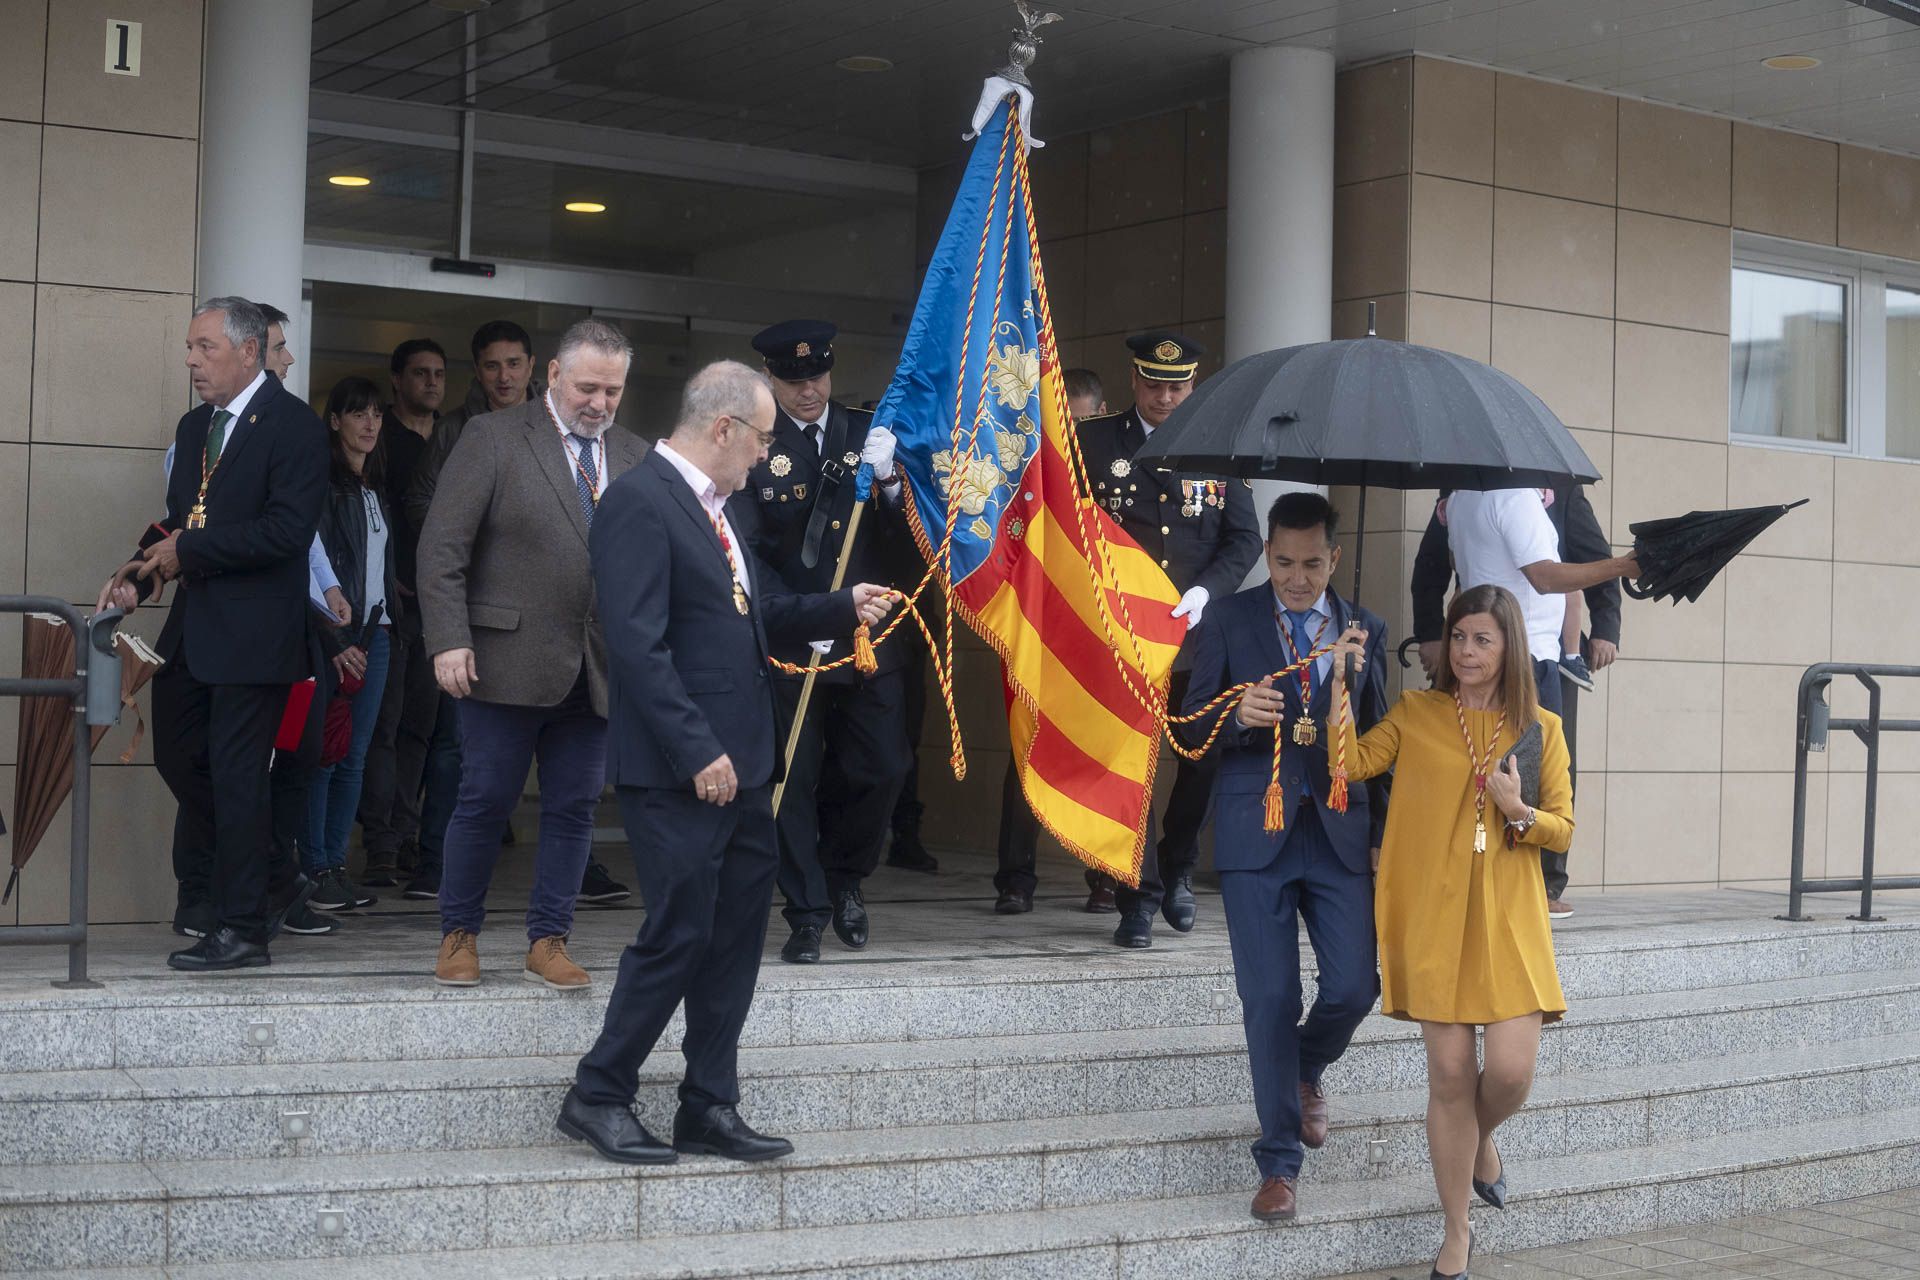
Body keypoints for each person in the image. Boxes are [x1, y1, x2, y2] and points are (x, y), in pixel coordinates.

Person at [558, 360, 892, 1166]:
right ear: (723, 429)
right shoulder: (640, 503)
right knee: (679, 931)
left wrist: (840, 608)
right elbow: (636, 645)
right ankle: (599, 1092)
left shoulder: (721, 508)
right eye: (763, 439)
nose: (765, 455)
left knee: (737, 936)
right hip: (683, 768)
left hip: (743, 765)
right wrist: (695, 747)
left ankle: (709, 1102)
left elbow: (753, 618)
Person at [1327, 585, 1579, 1280]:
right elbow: (1348, 765)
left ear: (1509, 650)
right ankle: (1457, 1233)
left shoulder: (1542, 729)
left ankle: (1483, 1139)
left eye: (1483, 640)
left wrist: (1517, 809)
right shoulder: (1417, 712)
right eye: (1459, 637)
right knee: (1447, 1076)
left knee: (1509, 1071)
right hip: (1430, 912)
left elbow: (1562, 825)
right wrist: (1342, 686)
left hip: (1509, 918)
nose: (1467, 651)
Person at [994, 331, 1261, 944]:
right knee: (1125, 762)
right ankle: (1134, 896)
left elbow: (1243, 538)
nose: (1166, 397)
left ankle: (1178, 863)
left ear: (1194, 385)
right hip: (1117, 641)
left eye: (1178, 386)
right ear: (1135, 383)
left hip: (1194, 638)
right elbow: (1055, 523)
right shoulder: (1092, 442)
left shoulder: (1218, 446)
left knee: (1202, 756)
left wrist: (1209, 591)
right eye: (1154, 384)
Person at [98, 296, 327, 971]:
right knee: (176, 755)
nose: (192, 360)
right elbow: (179, 521)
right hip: (194, 629)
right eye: (191, 348)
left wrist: (188, 555)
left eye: (205, 348)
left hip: (256, 636)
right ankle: (275, 876)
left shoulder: (294, 427)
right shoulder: (197, 426)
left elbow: (287, 533)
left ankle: (242, 931)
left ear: (248, 351)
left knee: (235, 779)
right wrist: (141, 577)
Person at [416, 318, 645, 990]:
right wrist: (449, 638)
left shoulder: (633, 454)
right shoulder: (494, 437)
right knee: (485, 799)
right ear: (552, 375)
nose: (599, 403)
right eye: (587, 388)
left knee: (574, 806)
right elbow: (442, 549)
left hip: (597, 667)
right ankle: (458, 933)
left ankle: (549, 937)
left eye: (612, 390)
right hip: (501, 658)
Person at [1184, 493, 1388, 1223]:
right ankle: (1278, 1163)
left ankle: (1305, 1066)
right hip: (1255, 832)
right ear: (1265, 555)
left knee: (1354, 989)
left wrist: (1381, 836)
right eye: (1282, 562)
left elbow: (1380, 743)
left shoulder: (1366, 629)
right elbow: (1189, 727)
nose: (1296, 578)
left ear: (1334, 558)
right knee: (1268, 999)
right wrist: (1233, 715)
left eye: (1311, 564)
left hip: (1337, 830)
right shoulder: (1228, 619)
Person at [739, 319, 916, 965]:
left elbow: (914, 547)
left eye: (816, 375)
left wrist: (894, 482)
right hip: (795, 637)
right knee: (795, 776)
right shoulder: (756, 443)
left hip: (871, 638)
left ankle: (845, 879)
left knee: (881, 769)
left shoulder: (865, 430)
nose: (807, 389)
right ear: (770, 379)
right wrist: (802, 613)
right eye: (792, 378)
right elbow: (750, 552)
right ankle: (807, 910)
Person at [1413, 486, 1634, 920]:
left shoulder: (1460, 496)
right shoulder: (1510, 496)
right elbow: (1547, 577)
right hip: (1524, 659)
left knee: (1486, 765)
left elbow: (1573, 555)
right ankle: (1527, 886)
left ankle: (1496, 878)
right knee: (1532, 774)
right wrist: (1628, 564)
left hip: (1495, 653)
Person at [303, 377, 398, 915]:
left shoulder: (373, 488)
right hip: (336, 634)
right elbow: (314, 569)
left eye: (376, 415)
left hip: (378, 633)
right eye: (357, 414)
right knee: (327, 752)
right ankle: (315, 865)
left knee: (355, 756)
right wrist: (335, 635)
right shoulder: (322, 484)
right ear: (334, 420)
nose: (369, 424)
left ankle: (336, 864)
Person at [357, 337, 448, 889]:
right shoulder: (377, 436)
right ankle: (380, 844)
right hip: (390, 606)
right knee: (382, 728)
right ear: (398, 380)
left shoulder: (454, 437)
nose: (431, 383)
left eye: (438, 373)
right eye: (419, 373)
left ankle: (407, 834)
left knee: (423, 728)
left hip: (439, 604)